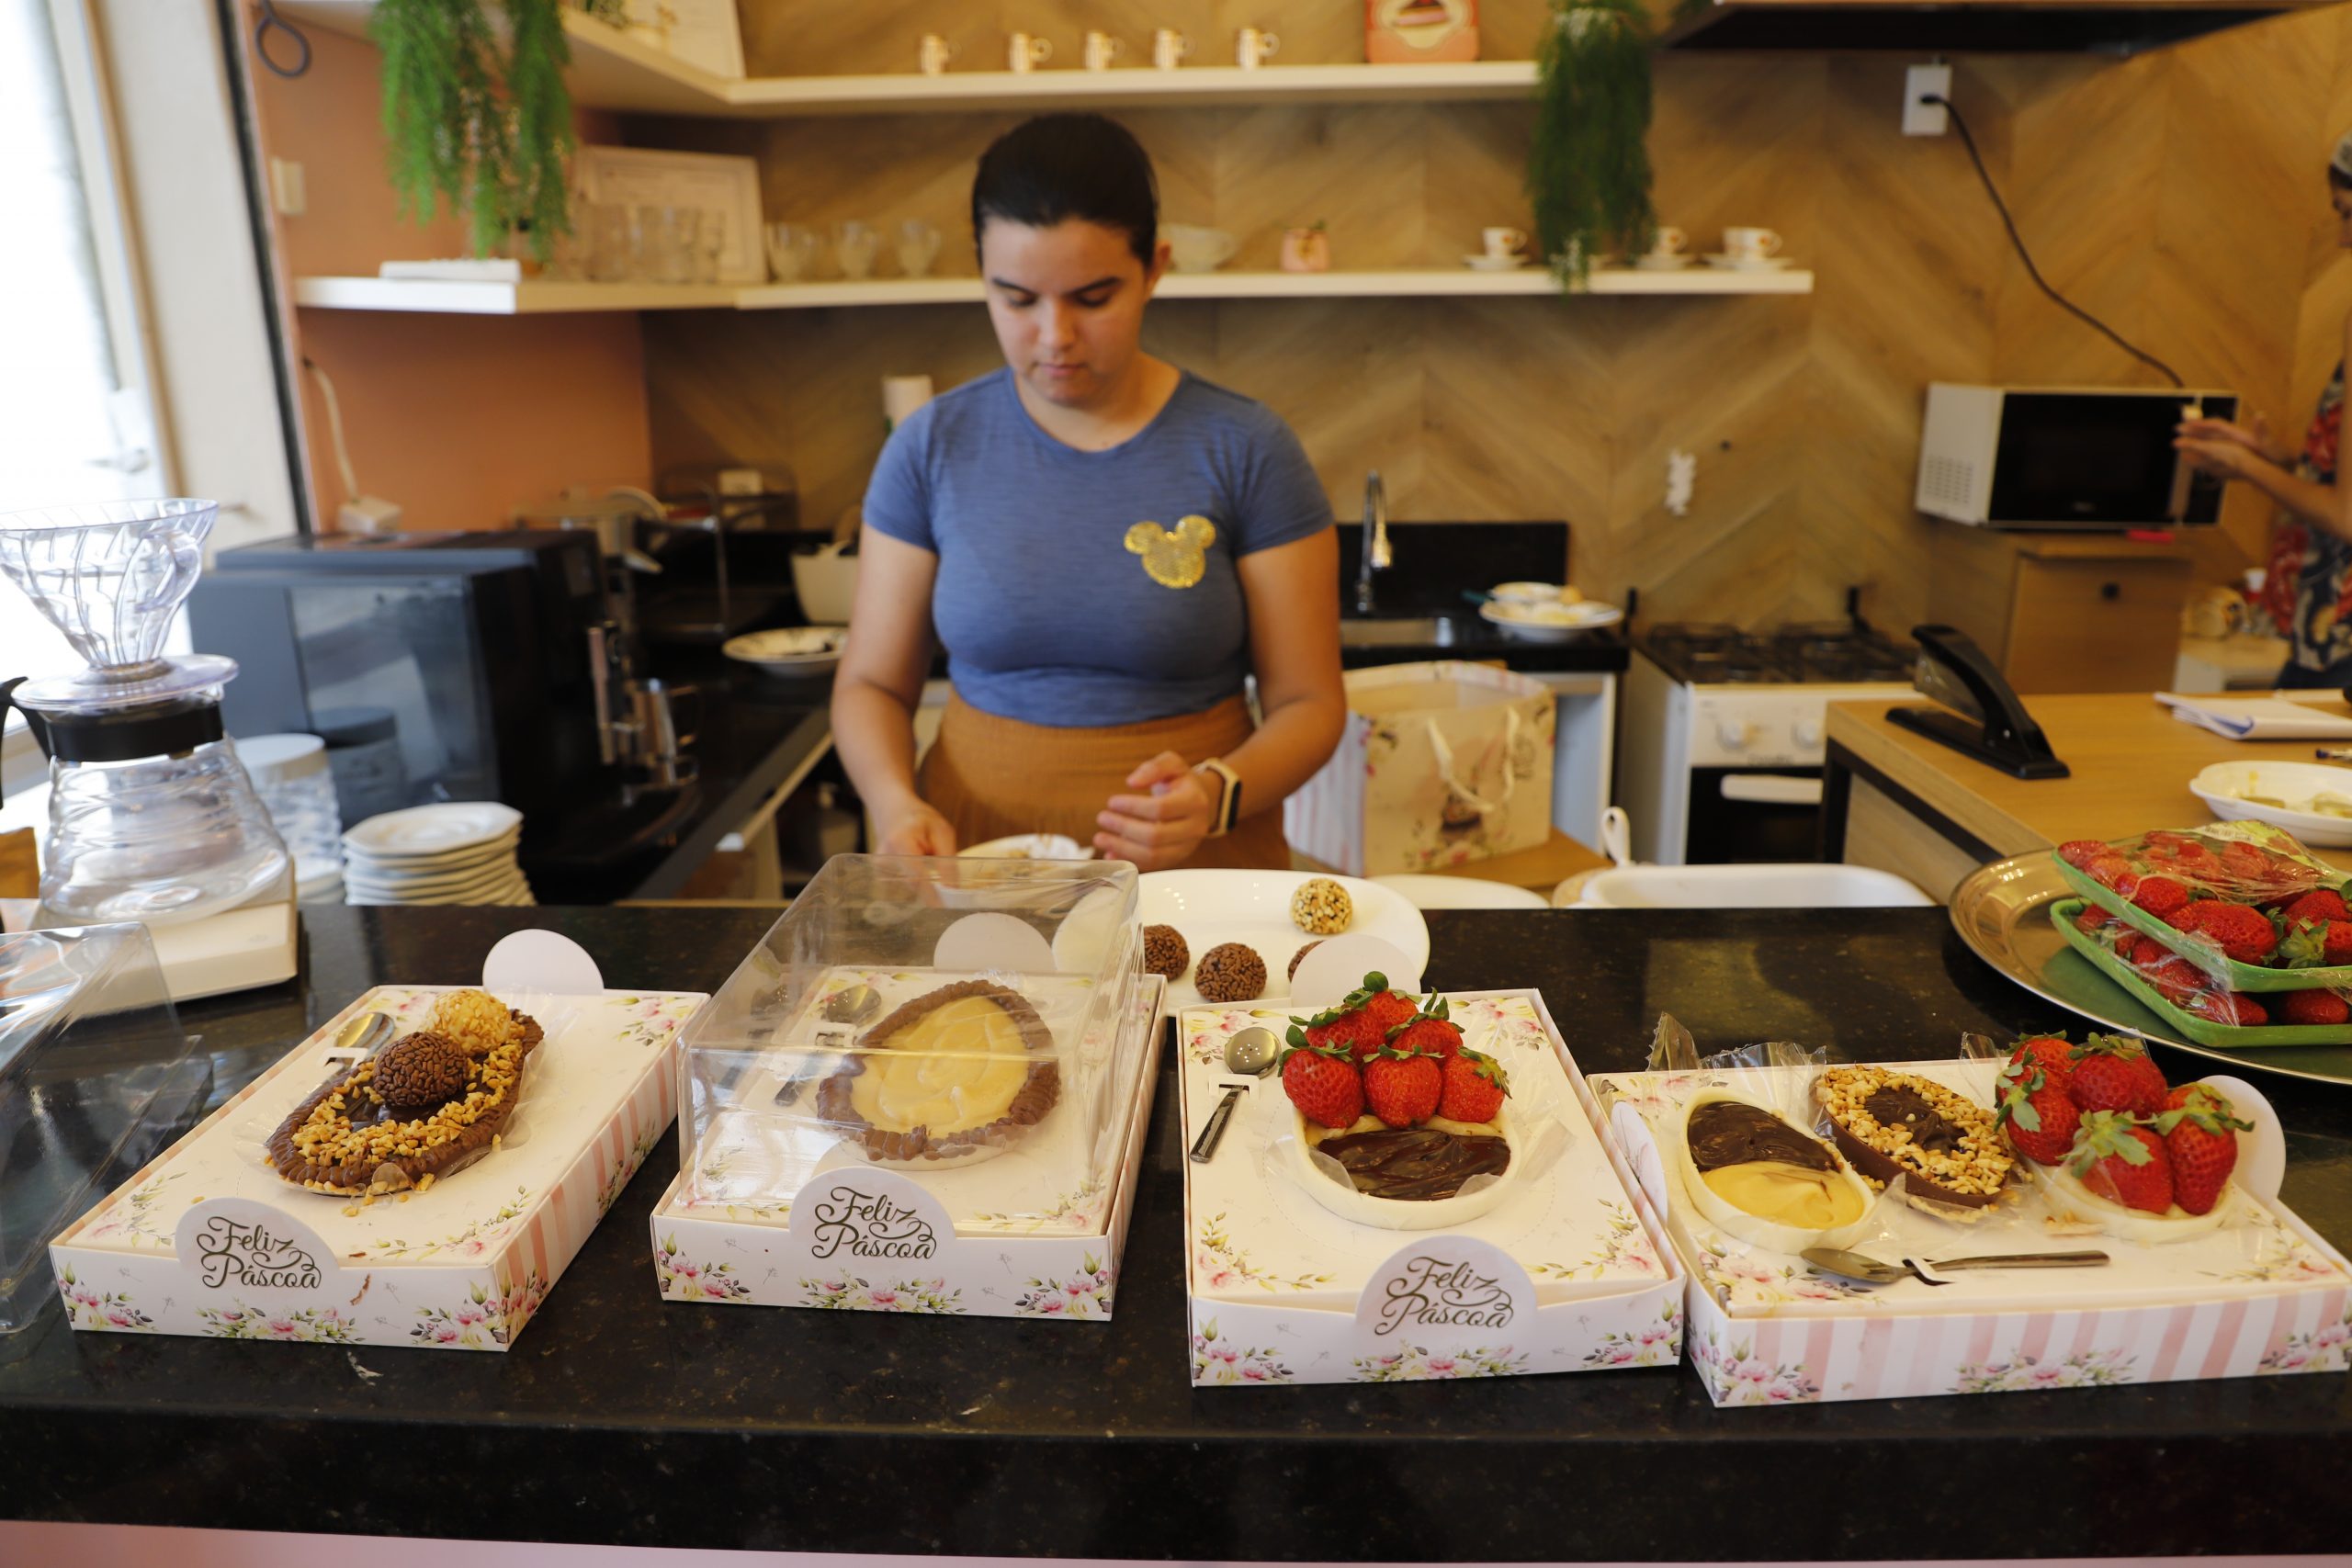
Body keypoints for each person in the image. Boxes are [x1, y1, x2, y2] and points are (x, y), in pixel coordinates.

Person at [831, 113, 1345, 870]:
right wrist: (894, 802)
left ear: (1155, 269)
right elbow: (872, 682)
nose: (1054, 336)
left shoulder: (1247, 447)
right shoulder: (930, 446)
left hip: (1198, 869)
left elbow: (1311, 704)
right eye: (1017, 299)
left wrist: (1216, 792)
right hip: (977, 865)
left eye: (1093, 298)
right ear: (982, 274)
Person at [2175, 129, 2352, 688]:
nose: (2344, 237)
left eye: (2348, 212)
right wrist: (2274, 455)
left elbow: (2348, 515)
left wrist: (2246, 468)